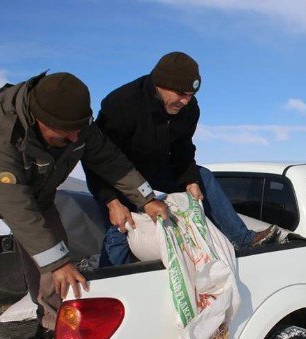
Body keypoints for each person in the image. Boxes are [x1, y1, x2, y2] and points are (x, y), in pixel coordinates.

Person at [0, 72, 168, 339]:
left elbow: (110, 161)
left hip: (36, 195)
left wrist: (148, 197)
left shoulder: (76, 124)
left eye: (77, 131)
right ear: (38, 119)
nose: (74, 140)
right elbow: (15, 204)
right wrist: (55, 262)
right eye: (64, 133)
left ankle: (50, 331)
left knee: (57, 262)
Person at [84, 52, 279, 267]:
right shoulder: (122, 104)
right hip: (120, 177)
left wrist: (189, 180)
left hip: (156, 168)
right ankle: (109, 277)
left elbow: (183, 147)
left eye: (191, 94)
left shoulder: (188, 108)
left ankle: (243, 239)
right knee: (122, 225)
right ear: (160, 84)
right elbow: (97, 158)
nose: (185, 101)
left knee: (202, 176)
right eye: (180, 93)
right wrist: (111, 200)